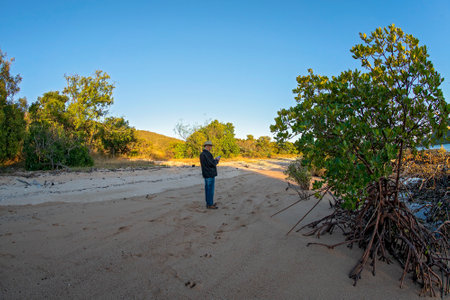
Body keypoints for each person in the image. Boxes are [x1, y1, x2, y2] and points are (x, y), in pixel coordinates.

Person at [199, 140, 221, 209]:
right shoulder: (207, 154)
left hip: (206, 173)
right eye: (210, 146)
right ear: (208, 146)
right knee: (210, 190)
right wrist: (217, 160)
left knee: (208, 189)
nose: (211, 147)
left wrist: (214, 160)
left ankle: (209, 203)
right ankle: (210, 204)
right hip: (210, 174)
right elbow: (212, 164)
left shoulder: (202, 154)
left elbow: (208, 163)